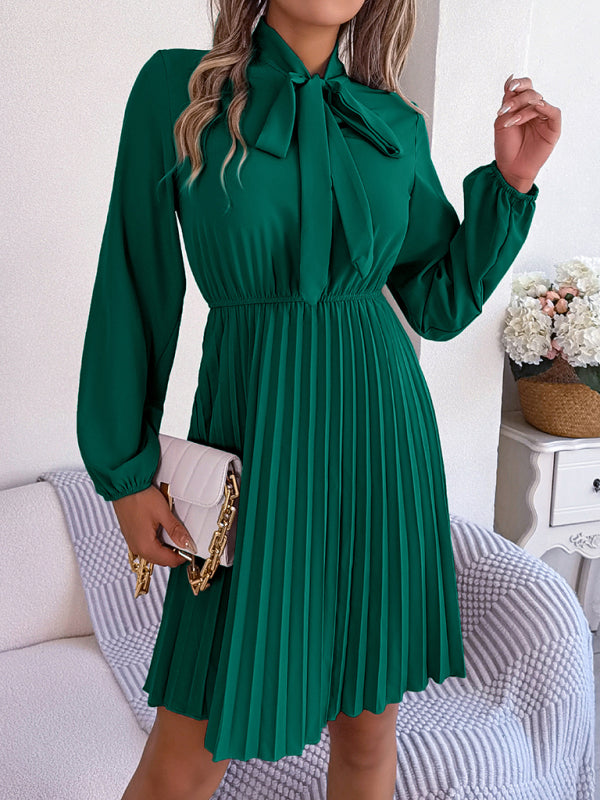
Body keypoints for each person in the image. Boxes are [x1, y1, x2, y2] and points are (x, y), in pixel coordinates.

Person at [76, 0, 560, 798]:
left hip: (380, 443)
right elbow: (135, 283)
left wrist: (511, 183)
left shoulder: (391, 124)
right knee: (185, 757)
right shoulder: (178, 91)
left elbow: (435, 304)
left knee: (367, 739)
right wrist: (126, 473)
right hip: (254, 441)